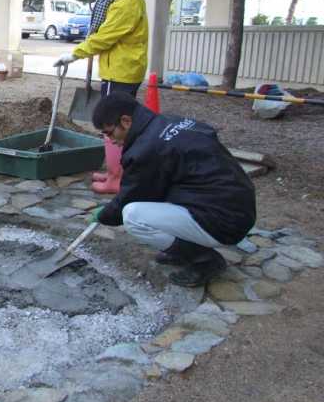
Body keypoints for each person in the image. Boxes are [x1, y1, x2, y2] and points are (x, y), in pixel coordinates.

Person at [86, 93, 256, 287]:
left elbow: (129, 197)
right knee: (154, 194)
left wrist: (104, 215)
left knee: (133, 216)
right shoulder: (169, 121)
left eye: (109, 133)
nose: (110, 140)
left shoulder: (146, 149)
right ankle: (184, 247)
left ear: (125, 121)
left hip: (224, 221)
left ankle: (204, 260)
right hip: (238, 205)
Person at [54, 0, 148, 195]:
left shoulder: (126, 3)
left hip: (121, 71)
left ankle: (116, 178)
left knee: (113, 127)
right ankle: (114, 172)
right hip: (121, 68)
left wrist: (74, 54)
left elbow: (105, 37)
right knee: (118, 125)